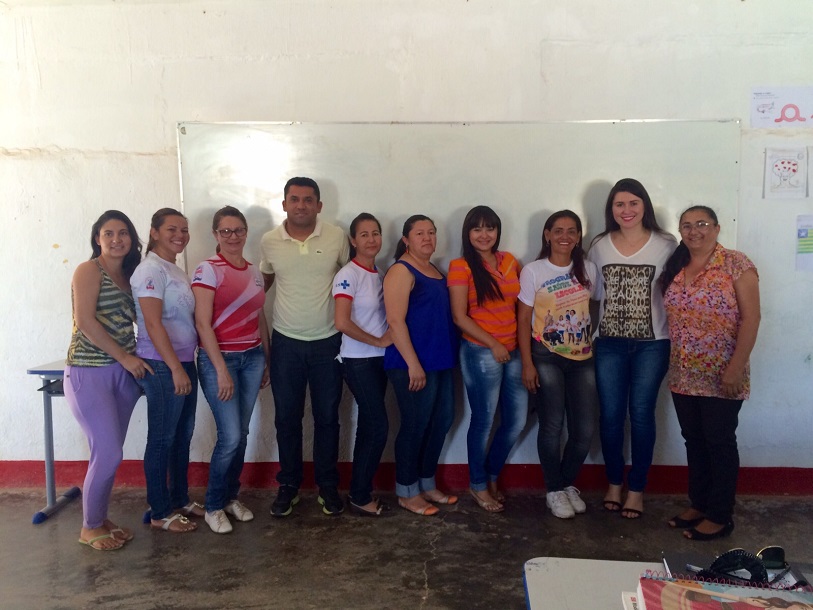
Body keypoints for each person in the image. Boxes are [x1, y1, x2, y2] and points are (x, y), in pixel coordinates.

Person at [660, 206, 760, 541]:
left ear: (716, 228)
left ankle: (720, 515)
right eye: (686, 226)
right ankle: (699, 504)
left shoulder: (736, 264)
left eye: (702, 224)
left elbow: (751, 319)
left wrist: (734, 368)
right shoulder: (677, 265)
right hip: (683, 373)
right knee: (695, 442)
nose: (694, 231)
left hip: (722, 374)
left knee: (719, 442)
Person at [260, 177, 350, 517]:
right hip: (286, 343)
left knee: (328, 418)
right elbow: (261, 286)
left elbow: (352, 277)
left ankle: (327, 485)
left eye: (308, 200)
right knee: (287, 418)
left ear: (319, 205)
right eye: (294, 199)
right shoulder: (269, 241)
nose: (301, 205)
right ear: (283, 204)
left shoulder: (337, 237)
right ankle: (289, 485)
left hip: (329, 343)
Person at [587, 178, 677, 519]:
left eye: (633, 203)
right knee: (610, 416)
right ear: (611, 209)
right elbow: (594, 297)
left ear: (645, 206)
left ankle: (636, 488)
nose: (626, 210)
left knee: (640, 415)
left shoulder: (666, 244)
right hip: (608, 343)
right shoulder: (598, 245)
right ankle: (613, 483)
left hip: (652, 345)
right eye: (619, 204)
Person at [64, 210, 152, 551]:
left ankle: (99, 518)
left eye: (123, 233)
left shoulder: (132, 275)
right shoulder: (88, 270)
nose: (117, 239)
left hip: (124, 374)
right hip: (89, 371)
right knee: (111, 452)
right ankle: (88, 527)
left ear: (132, 239)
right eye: (108, 233)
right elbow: (85, 321)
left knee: (104, 452)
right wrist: (126, 358)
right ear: (97, 239)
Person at [192, 206, 271, 534]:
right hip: (218, 361)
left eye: (238, 230)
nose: (233, 236)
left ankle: (229, 498)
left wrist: (266, 358)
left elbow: (259, 317)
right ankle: (212, 505)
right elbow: (202, 323)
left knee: (242, 435)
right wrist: (221, 370)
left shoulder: (254, 271)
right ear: (215, 235)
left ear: (246, 232)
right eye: (225, 231)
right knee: (231, 436)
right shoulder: (207, 270)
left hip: (251, 359)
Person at [518, 210, 599, 519]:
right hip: (546, 355)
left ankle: (565, 484)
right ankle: (554, 490)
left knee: (584, 429)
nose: (565, 236)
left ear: (578, 237)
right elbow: (524, 318)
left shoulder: (589, 269)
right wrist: (527, 362)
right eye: (558, 230)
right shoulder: (534, 270)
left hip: (583, 359)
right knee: (552, 425)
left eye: (572, 231)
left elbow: (594, 305)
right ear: (547, 235)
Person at [448, 205, 526, 513]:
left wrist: (513, 346)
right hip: (481, 351)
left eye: (490, 228)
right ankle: (478, 484)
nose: (484, 235)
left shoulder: (509, 261)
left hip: (513, 350)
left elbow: (518, 307)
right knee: (482, 420)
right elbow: (459, 316)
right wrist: (493, 343)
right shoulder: (461, 266)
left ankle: (491, 476)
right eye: (477, 229)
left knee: (516, 420)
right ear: (468, 233)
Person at [384, 215, 459, 517]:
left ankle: (426, 482)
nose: (427, 238)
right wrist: (413, 364)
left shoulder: (434, 270)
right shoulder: (402, 271)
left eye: (431, 232)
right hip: (412, 366)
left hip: (440, 361)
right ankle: (406, 490)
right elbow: (394, 320)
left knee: (440, 422)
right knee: (414, 426)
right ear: (406, 239)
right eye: (419, 233)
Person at [131, 208, 200, 533]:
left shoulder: (173, 268)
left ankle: (179, 498)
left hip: (184, 361)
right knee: (162, 438)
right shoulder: (150, 270)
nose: (180, 235)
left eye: (184, 230)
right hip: (163, 366)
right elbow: (153, 323)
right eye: (172, 229)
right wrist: (175, 368)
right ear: (154, 232)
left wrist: (184, 364)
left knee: (181, 436)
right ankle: (160, 511)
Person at [332, 213, 393, 516]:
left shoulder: (380, 273)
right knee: (378, 425)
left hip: (380, 361)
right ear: (353, 241)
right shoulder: (348, 274)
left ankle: (360, 492)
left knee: (370, 425)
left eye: (376, 233)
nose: (371, 239)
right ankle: (358, 494)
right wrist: (379, 341)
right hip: (358, 360)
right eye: (364, 234)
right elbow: (341, 322)